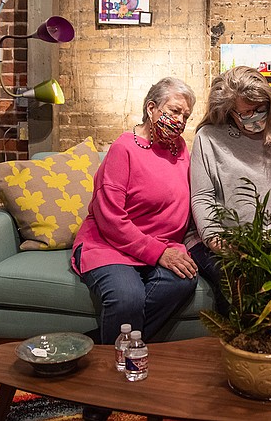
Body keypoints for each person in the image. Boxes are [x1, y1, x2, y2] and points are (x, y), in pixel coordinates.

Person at [72, 77, 199, 347]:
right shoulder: (124, 148)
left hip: (164, 243)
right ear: (151, 108)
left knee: (183, 280)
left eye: (185, 115)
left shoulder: (180, 149)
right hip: (110, 243)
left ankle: (102, 344)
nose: (180, 120)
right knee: (128, 297)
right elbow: (110, 218)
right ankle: (114, 368)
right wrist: (158, 252)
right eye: (174, 111)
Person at [190, 66, 271, 314]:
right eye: (246, 112)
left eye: (259, 108)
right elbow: (202, 196)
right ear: (230, 112)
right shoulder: (209, 137)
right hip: (222, 242)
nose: (254, 117)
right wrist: (217, 242)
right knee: (239, 285)